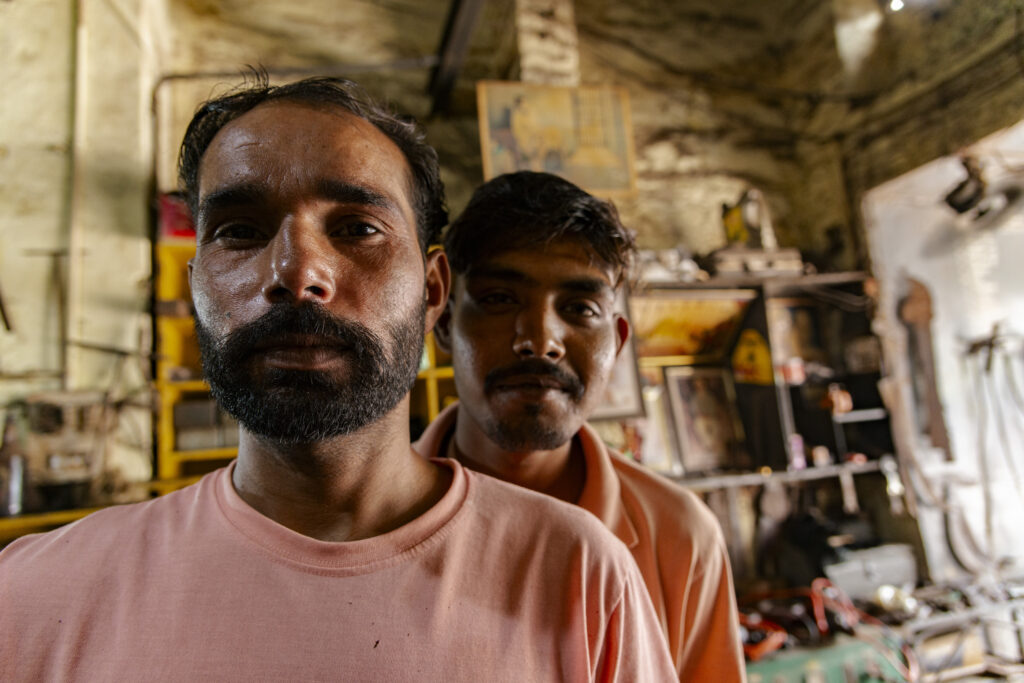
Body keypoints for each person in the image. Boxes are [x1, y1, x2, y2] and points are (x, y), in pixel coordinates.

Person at [0, 77, 677, 681]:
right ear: (196, 286)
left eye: (356, 227)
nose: (297, 273)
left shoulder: (582, 578)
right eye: (240, 230)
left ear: (434, 291)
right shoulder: (34, 597)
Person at [415, 171, 747, 681]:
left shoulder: (680, 538)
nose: (540, 340)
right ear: (443, 321)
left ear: (616, 342)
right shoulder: (362, 519)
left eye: (579, 309)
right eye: (501, 298)